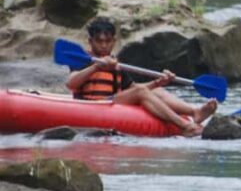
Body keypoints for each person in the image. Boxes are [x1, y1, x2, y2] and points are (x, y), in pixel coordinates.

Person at [65, 17, 217, 137]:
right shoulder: (85, 60)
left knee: (156, 91)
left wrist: (158, 82)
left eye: (108, 41)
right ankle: (184, 126)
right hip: (90, 106)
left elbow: (134, 90)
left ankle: (194, 112)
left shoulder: (115, 64)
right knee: (142, 92)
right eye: (99, 41)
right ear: (91, 41)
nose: (104, 45)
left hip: (111, 103)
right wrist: (96, 66)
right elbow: (71, 84)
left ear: (114, 41)